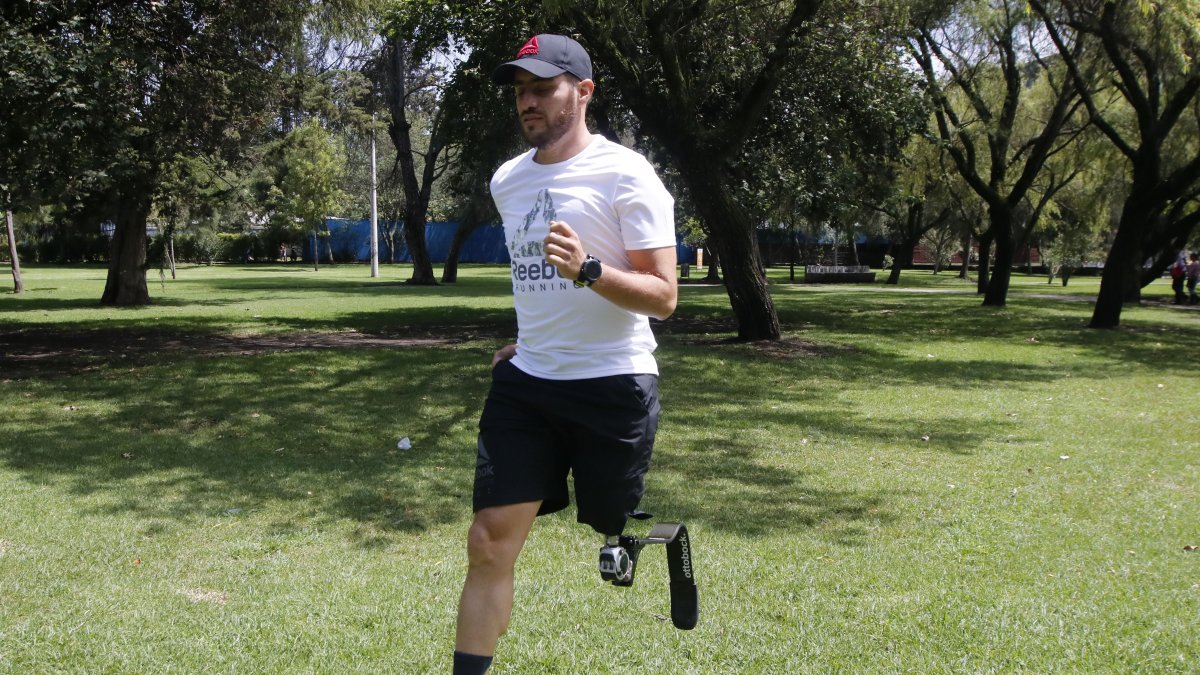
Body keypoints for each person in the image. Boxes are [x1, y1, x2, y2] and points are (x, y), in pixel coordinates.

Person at [452, 33, 678, 675]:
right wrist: (532, 342)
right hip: (528, 385)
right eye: (520, 91)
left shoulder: (626, 173)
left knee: (610, 516)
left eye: (542, 88)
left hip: (614, 384)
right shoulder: (508, 180)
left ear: (582, 93)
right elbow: (535, 279)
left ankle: (620, 535)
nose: (527, 102)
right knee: (489, 542)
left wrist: (590, 271)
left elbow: (663, 297)